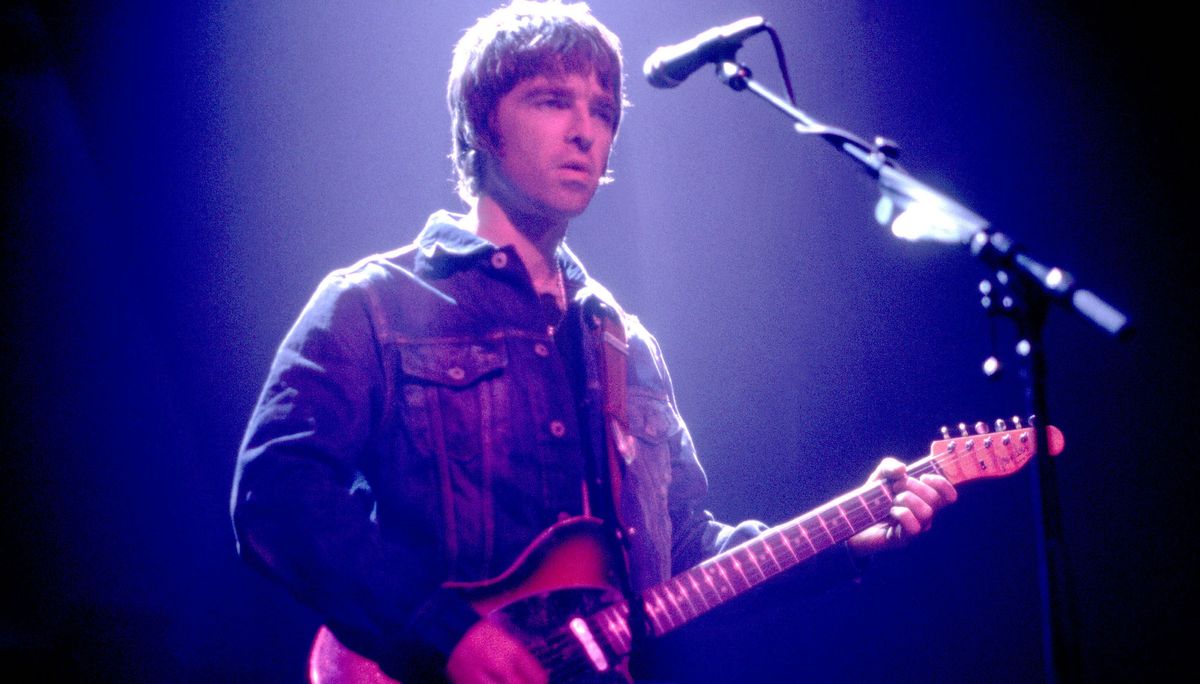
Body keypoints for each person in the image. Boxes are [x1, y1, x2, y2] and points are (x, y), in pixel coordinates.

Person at [230, 2, 957, 682]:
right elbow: (276, 493)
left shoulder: (626, 345)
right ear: (483, 123)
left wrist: (847, 535)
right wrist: (446, 633)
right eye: (552, 101)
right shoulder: (374, 303)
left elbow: (682, 558)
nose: (586, 129)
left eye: (602, 111)